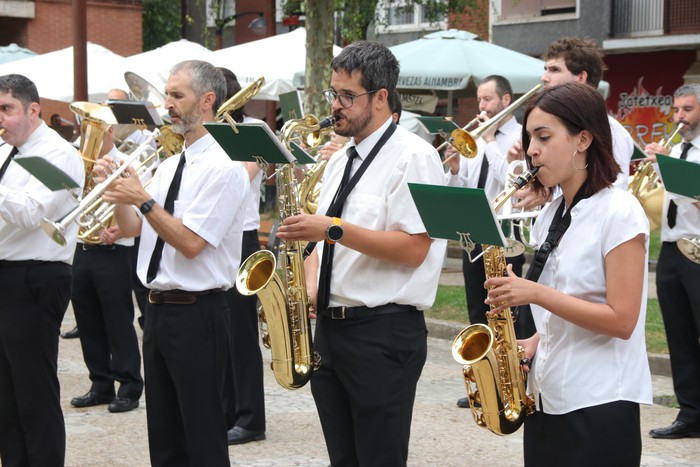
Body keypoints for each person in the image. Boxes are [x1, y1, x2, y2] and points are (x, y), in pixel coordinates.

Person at [276, 41, 446, 467]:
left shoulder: (415, 156)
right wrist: (307, 287)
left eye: (347, 96)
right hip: (333, 332)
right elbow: (323, 245)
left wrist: (330, 229)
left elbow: (413, 250)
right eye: (333, 94)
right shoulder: (339, 161)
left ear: (381, 97)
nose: (336, 106)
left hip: (383, 334)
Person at [484, 82, 651, 465]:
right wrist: (534, 342)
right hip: (547, 397)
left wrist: (534, 293)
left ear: (583, 139)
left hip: (600, 402)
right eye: (529, 138)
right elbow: (570, 300)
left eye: (543, 137)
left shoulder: (620, 211)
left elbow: (622, 320)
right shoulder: (550, 214)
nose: (531, 150)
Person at [95, 60, 248, 466]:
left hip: (199, 313)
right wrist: (115, 192)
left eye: (177, 95)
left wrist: (142, 199)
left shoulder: (226, 165)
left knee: (202, 435)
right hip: (158, 309)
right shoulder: (169, 163)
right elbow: (133, 230)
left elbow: (192, 243)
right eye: (167, 95)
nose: (168, 105)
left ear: (208, 100)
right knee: (164, 437)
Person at [0, 74, 84, 465]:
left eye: (7, 109)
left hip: (35, 277)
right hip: (6, 274)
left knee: (34, 394)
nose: (1, 119)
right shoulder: (6, 150)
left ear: (34, 110)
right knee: (6, 396)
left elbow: (32, 212)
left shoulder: (57, 153)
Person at [68, 89, 145, 414]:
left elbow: (141, 208)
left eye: (96, 127)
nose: (89, 133)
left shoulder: (129, 161)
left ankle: (129, 385)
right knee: (86, 319)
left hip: (115, 251)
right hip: (82, 248)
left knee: (117, 320)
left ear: (110, 130)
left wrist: (118, 226)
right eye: (86, 127)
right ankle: (99, 383)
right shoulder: (75, 161)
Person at [445, 76, 529, 373]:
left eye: (487, 99)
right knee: (476, 309)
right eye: (479, 100)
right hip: (475, 230)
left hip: (505, 233)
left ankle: (510, 373)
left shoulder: (522, 134)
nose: (481, 106)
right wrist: (454, 169)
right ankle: (484, 376)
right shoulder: (476, 138)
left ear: (506, 100)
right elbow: (467, 185)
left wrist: (491, 140)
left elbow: (510, 179)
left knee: (504, 310)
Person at [512, 37, 634, 211]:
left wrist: (549, 193)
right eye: (545, 69)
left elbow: (612, 193)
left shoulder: (613, 131)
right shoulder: (550, 122)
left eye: (554, 70)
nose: (544, 77)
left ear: (581, 77)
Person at [646, 83, 700, 440]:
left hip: (697, 250)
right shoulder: (678, 148)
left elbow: (688, 190)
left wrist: (664, 166)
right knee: (678, 335)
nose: (680, 117)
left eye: (688, 110)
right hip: (669, 249)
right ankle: (690, 414)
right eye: (677, 110)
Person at [218, 66, 267, 445]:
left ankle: (250, 418)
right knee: (218, 331)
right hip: (213, 238)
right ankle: (225, 408)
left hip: (243, 238)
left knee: (241, 332)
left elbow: (242, 177)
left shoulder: (251, 131)